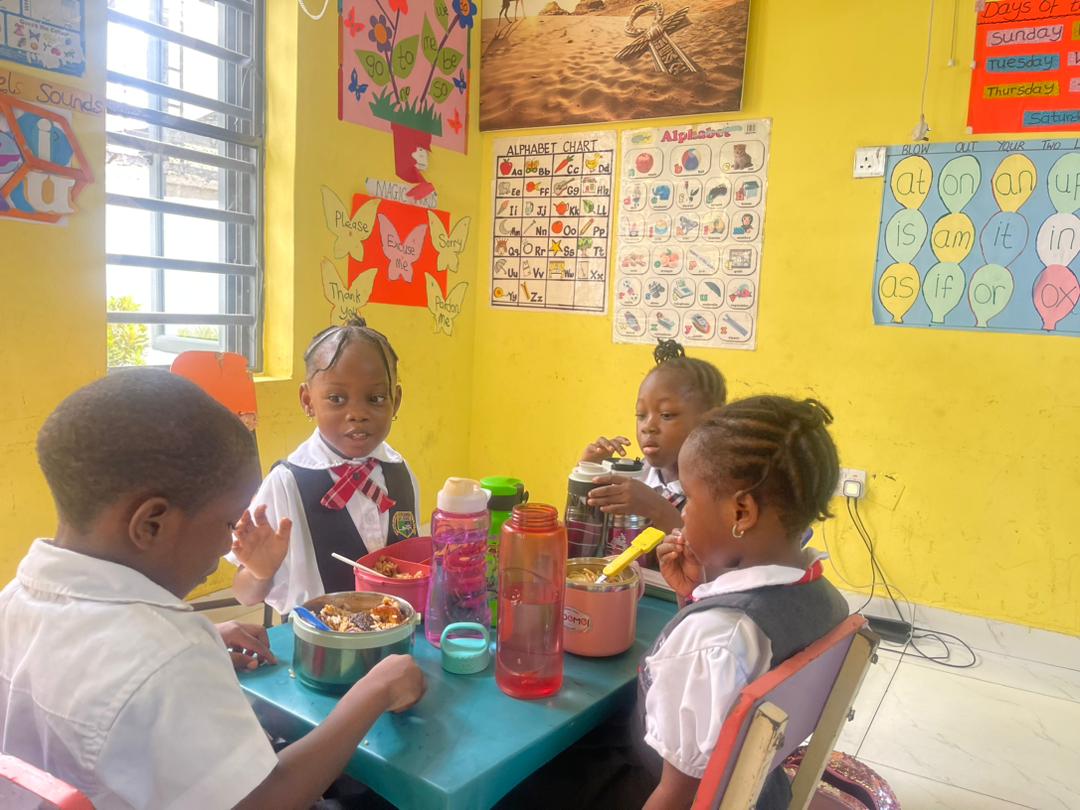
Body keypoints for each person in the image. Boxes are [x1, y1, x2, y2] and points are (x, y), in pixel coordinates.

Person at [0, 370, 425, 809]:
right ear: (151, 524)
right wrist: (374, 693)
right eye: (227, 523)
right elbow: (265, 801)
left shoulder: (13, 602)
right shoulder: (172, 656)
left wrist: (200, 637)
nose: (228, 543)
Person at [641, 396, 849, 809]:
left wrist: (700, 621)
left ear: (741, 512)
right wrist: (696, 594)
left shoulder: (715, 638)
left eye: (689, 501)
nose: (681, 516)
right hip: (762, 791)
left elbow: (678, 795)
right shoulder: (824, 598)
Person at [231, 318, 420, 615]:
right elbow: (244, 595)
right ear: (308, 401)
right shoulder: (287, 482)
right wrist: (260, 574)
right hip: (321, 651)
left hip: (395, 642)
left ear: (395, 401)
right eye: (336, 398)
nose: (357, 413)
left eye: (376, 398)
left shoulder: (400, 472)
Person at [581, 339, 726, 536]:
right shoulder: (637, 476)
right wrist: (588, 477)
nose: (648, 426)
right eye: (641, 415)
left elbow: (713, 559)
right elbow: (587, 540)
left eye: (666, 415)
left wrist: (658, 509)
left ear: (710, 419)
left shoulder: (719, 491)